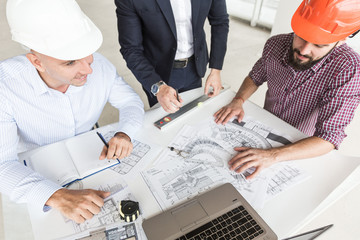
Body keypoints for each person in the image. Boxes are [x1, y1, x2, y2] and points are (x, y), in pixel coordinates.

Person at [0, 0, 144, 223]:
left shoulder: (100, 66)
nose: (88, 68)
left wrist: (125, 133)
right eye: (70, 62)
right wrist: (56, 196)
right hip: (37, 167)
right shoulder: (5, 88)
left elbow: (130, 102)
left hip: (92, 157)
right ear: (37, 61)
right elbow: (2, 165)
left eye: (87, 53)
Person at [214, 0, 360, 179]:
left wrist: (273, 155)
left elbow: (328, 138)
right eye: (301, 37)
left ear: (341, 39)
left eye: (319, 45)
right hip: (265, 128)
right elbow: (255, 77)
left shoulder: (348, 69)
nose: (304, 50)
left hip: (300, 147)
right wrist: (239, 100)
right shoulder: (276, 44)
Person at [115, 0, 229, 113]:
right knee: (164, 121)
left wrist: (216, 70)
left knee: (193, 115)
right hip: (157, 72)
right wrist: (157, 86)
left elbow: (220, 22)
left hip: (195, 67)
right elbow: (131, 49)